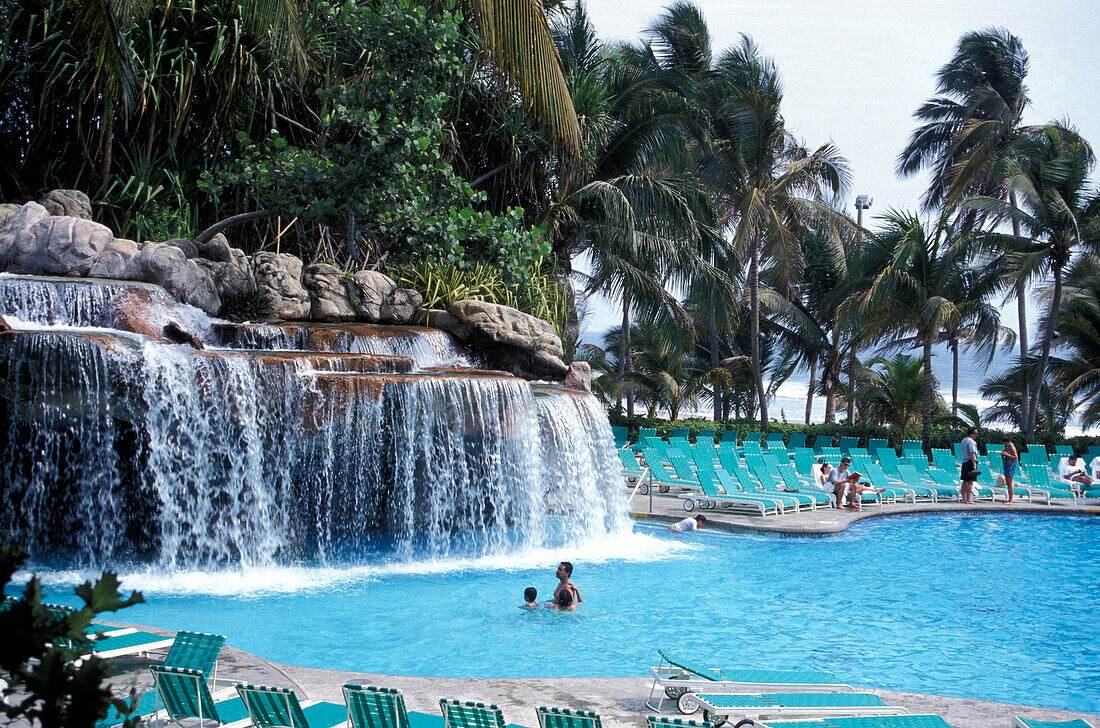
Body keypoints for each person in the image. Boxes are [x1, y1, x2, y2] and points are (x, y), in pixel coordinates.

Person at [959, 427, 980, 504]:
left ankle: (964, 499)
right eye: (975, 434)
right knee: (970, 482)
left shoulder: (964, 440)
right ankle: (969, 499)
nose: (976, 435)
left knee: (964, 481)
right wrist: (974, 464)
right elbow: (972, 453)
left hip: (964, 462)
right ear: (971, 433)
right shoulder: (971, 442)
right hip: (970, 462)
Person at [999, 436, 1018, 505]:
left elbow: (1016, 457)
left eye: (1005, 443)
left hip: (1011, 466)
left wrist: (1006, 454)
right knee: (1007, 483)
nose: (1004, 445)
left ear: (1008, 442)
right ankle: (1009, 499)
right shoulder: (1007, 447)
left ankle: (1010, 500)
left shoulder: (1012, 448)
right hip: (1007, 465)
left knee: (1009, 484)